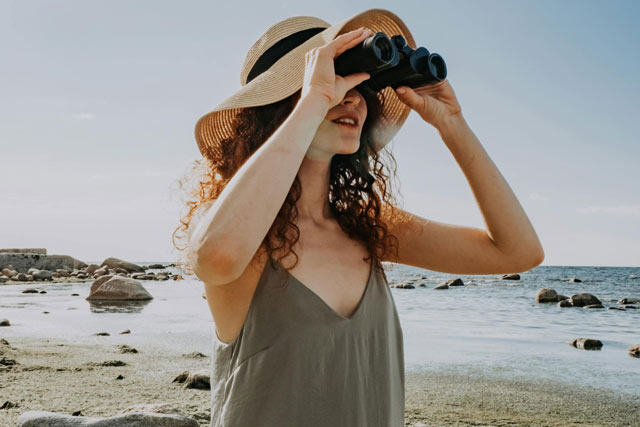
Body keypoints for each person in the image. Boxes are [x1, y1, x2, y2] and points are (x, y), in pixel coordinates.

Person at [173, 8, 545, 427]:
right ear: (276, 108)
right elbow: (215, 258)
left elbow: (518, 252)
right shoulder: (240, 233)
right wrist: (313, 101)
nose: (350, 96)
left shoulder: (368, 228)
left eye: (359, 84)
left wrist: (452, 124)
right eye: (332, 79)